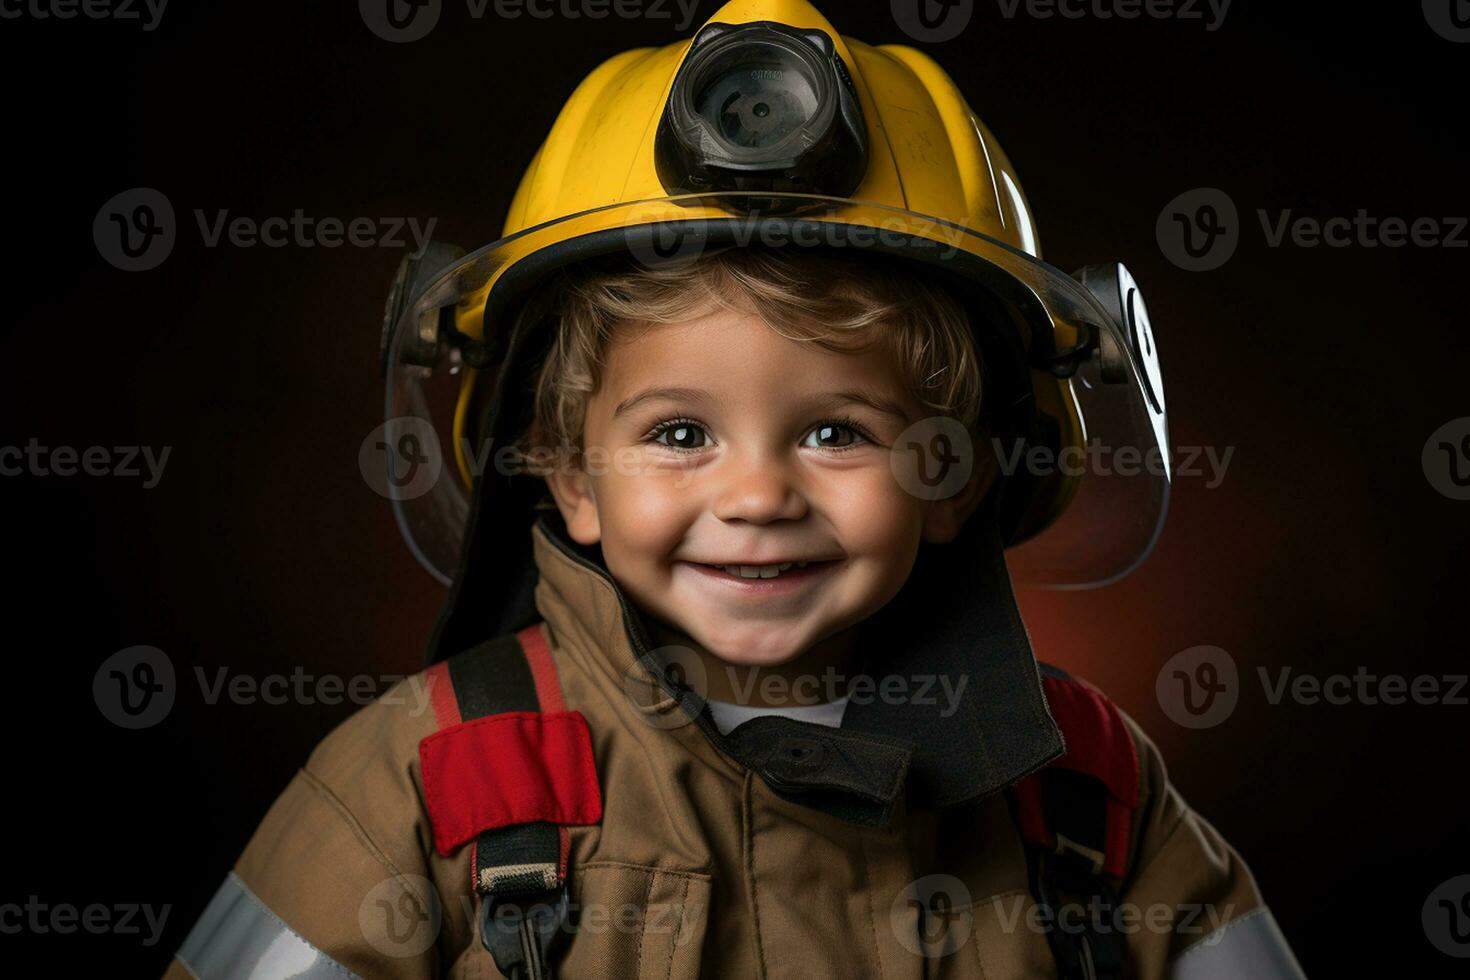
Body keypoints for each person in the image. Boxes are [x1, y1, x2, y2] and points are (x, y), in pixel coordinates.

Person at [166, 1, 1306, 977]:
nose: (759, 492)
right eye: (677, 430)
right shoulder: (428, 781)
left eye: (833, 428)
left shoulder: (1090, 795)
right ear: (568, 474)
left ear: (957, 472)